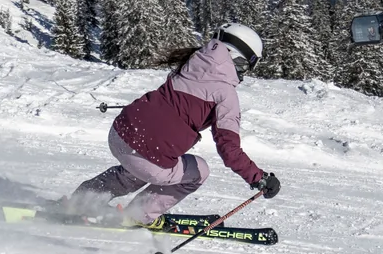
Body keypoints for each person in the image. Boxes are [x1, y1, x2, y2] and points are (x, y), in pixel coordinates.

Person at [53, 23, 281, 224]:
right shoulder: (226, 94)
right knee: (199, 170)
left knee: (134, 171)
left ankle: (81, 200)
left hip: (118, 134)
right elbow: (229, 150)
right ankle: (136, 216)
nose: (244, 73)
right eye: (247, 66)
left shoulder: (189, 65)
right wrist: (259, 178)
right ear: (238, 59)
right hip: (147, 156)